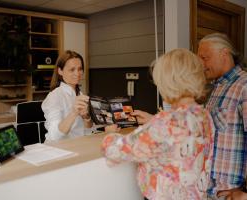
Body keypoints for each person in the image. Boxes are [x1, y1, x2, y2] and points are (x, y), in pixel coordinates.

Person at [102, 48, 214, 200]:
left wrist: (109, 134)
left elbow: (116, 151)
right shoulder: (204, 115)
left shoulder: (166, 122)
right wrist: (152, 121)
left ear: (169, 81)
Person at [197, 33, 247, 198]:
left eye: (205, 58)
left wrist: (245, 192)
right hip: (210, 189)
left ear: (224, 54)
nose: (201, 65)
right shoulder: (216, 87)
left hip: (230, 193)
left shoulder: (244, 86)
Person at [41, 50, 92, 141]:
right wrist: (73, 113)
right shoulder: (54, 97)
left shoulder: (80, 94)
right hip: (58, 149)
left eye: (80, 69)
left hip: (78, 145)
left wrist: (86, 118)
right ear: (60, 71)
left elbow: (87, 131)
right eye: (72, 69)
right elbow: (54, 136)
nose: (77, 73)